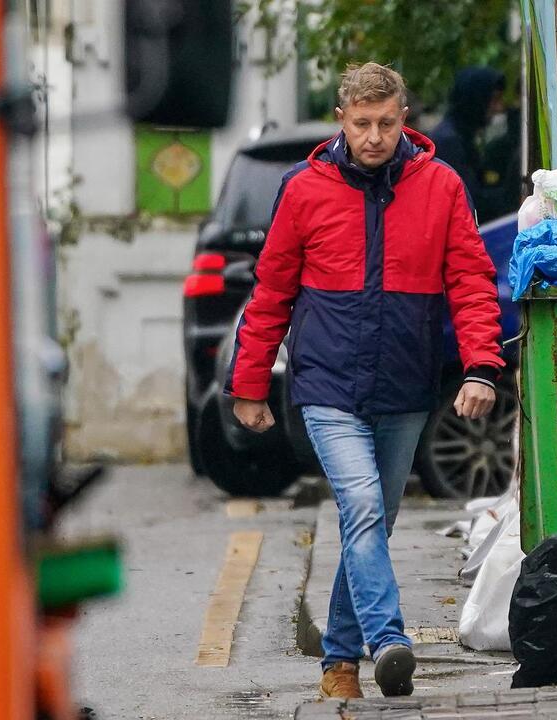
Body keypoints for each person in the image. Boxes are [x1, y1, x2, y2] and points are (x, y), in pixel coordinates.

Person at [224, 63, 503, 699]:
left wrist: (482, 364)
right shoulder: (302, 189)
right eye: (362, 124)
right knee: (362, 506)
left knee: (371, 523)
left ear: (404, 118)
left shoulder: (441, 187)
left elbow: (470, 280)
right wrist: (250, 382)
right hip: (327, 381)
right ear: (341, 123)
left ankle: (340, 665)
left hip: (406, 383)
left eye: (385, 122)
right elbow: (271, 291)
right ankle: (389, 639)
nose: (374, 136)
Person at [428, 67, 505, 218]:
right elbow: (469, 199)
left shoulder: (461, 136)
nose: (498, 108)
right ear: (477, 100)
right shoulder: (449, 142)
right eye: (493, 100)